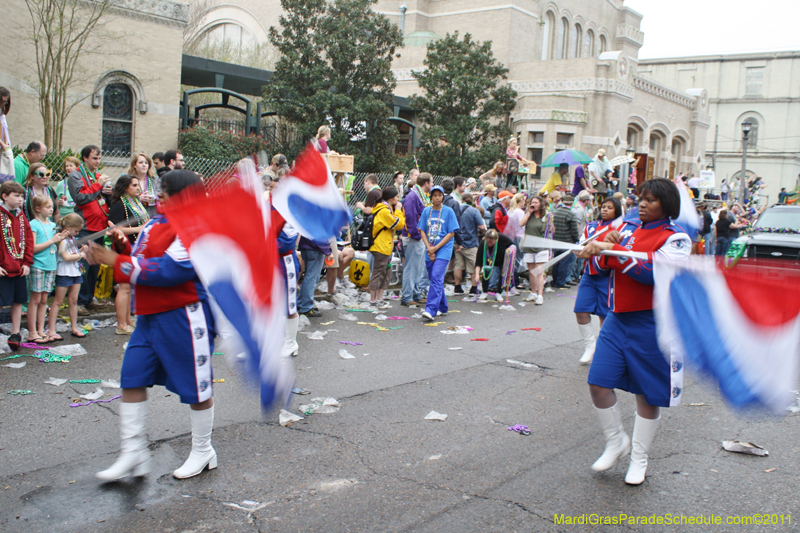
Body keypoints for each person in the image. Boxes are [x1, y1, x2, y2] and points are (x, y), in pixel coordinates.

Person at [88, 169, 219, 482]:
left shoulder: (195, 226)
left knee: (196, 386)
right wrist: (120, 248)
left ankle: (203, 450)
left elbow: (170, 270)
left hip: (184, 316)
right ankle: (133, 452)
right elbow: (140, 260)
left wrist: (114, 261)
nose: (158, 194)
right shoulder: (155, 223)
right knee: (132, 377)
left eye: (166, 190)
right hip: (149, 317)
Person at [578, 178, 691, 486]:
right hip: (617, 319)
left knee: (647, 393)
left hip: (653, 325)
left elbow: (653, 274)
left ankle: (639, 457)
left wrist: (612, 250)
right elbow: (604, 269)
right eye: (640, 198)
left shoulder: (676, 239)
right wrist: (597, 251)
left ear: (666, 206)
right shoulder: (627, 230)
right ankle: (616, 440)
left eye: (651, 200)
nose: (641, 204)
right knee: (598, 384)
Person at [574, 197, 621, 364]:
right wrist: (579, 251)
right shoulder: (591, 226)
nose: (605, 209)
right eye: (603, 207)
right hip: (589, 274)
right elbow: (581, 248)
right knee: (580, 310)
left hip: (608, 277)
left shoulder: (620, 228)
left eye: (610, 207)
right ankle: (589, 346)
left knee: (604, 315)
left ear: (617, 210)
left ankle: (603, 350)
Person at [68, 145, 112, 313]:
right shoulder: (76, 175)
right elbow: (80, 198)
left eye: (99, 158)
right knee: (84, 267)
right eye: (94, 158)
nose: (97, 162)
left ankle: (89, 298)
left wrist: (107, 192)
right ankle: (79, 302)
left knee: (95, 266)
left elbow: (101, 197)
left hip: (100, 228)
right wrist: (98, 186)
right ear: (85, 158)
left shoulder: (98, 175)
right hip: (86, 227)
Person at [108, 175, 150, 335]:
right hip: (124, 246)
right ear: (125, 188)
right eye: (134, 185)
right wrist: (138, 230)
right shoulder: (119, 205)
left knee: (130, 287)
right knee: (124, 287)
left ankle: (128, 321)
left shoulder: (137, 203)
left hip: (136, 247)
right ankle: (121, 325)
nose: (138, 188)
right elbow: (114, 228)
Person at [26, 195, 66, 343]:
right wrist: (52, 240)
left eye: (51, 207)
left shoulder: (51, 224)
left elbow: (53, 245)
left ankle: (41, 330)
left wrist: (60, 239)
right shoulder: (33, 224)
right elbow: (33, 248)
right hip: (38, 265)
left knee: (44, 299)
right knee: (35, 299)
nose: (51, 210)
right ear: (38, 208)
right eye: (48, 207)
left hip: (51, 264)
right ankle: (32, 332)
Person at [0, 181, 33, 350]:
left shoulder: (21, 216)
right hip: (3, 269)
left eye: (22, 196)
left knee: (18, 301)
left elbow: (28, 240)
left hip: (19, 267)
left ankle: (15, 333)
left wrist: (27, 262)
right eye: (16, 196)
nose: (20, 199)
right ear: (5, 196)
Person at [418, 186, 459, 320]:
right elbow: (422, 230)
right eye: (434, 195)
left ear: (442, 197)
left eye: (439, 195)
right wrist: (429, 248)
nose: (437, 197)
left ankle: (431, 309)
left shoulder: (448, 211)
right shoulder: (426, 211)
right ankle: (442, 306)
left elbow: (451, 233)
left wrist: (435, 249)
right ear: (431, 197)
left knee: (436, 277)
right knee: (434, 279)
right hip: (429, 248)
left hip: (443, 249)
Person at [46, 213, 86, 340]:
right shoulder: (63, 240)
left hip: (75, 271)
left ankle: (74, 327)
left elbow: (72, 254)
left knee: (73, 300)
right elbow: (66, 257)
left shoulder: (72, 239)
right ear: (68, 227)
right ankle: (51, 329)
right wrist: (81, 255)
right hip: (64, 272)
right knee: (58, 301)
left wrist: (80, 251)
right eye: (76, 230)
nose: (77, 233)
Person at [368, 187, 405, 308]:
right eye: (396, 197)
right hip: (380, 247)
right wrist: (398, 210)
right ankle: (373, 300)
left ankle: (380, 298)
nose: (398, 199)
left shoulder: (385, 209)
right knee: (378, 272)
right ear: (391, 198)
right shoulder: (384, 210)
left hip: (385, 247)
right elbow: (398, 224)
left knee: (386, 272)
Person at [400, 172, 432, 307]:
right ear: (426, 184)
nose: (432, 185)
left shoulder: (417, 195)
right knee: (411, 268)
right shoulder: (413, 197)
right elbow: (410, 218)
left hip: (418, 236)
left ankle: (415, 294)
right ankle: (407, 297)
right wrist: (417, 235)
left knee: (418, 268)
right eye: (431, 182)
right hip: (414, 237)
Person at [520, 196, 551, 304]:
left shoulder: (546, 216)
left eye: (536, 202)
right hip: (529, 246)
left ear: (540, 204)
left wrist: (550, 222)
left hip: (541, 247)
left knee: (539, 272)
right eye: (532, 202)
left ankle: (540, 295)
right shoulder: (529, 215)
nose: (534, 204)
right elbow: (521, 224)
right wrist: (529, 212)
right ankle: (533, 292)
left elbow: (552, 230)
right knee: (531, 271)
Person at [453, 193, 485, 295]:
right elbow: (482, 227)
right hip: (470, 242)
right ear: (472, 201)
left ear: (462, 200)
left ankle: (457, 287)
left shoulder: (456, 209)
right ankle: (474, 288)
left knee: (458, 265)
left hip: (457, 242)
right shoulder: (474, 211)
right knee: (474, 265)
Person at [297, 236, 333, 318]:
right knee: (312, 278)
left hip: (305, 246)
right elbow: (321, 234)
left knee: (308, 277)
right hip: (315, 248)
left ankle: (301, 303)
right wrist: (328, 251)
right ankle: (306, 307)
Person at [475, 229, 514, 302]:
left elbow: (513, 245)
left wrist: (509, 250)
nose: (489, 244)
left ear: (496, 239)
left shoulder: (502, 238)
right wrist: (477, 274)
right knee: (486, 272)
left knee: (501, 274)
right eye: (488, 241)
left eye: (491, 242)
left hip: (501, 260)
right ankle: (484, 291)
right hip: (488, 260)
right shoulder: (483, 243)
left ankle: (498, 292)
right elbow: (478, 261)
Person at [551, 194, 580, 289]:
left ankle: (554, 280)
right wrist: (576, 240)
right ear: (571, 203)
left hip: (555, 241)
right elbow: (574, 230)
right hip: (567, 242)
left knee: (556, 262)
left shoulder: (555, 212)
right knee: (564, 264)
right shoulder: (571, 214)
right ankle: (560, 282)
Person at [127, 153, 160, 218]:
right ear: (134, 165)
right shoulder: (128, 180)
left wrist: (156, 198)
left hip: (152, 215)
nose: (144, 165)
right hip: (135, 217)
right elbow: (124, 198)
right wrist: (138, 199)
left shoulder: (155, 180)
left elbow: (162, 194)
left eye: (146, 163)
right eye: (140, 162)